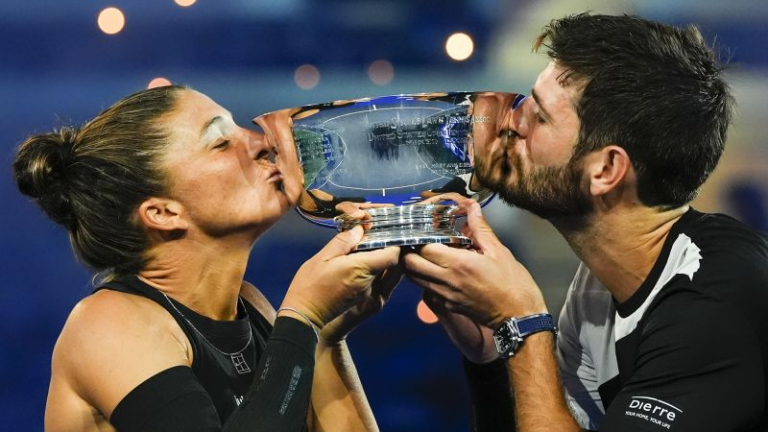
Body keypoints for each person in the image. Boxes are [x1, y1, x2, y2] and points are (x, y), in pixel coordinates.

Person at [403, 13, 768, 432]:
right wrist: (493, 353)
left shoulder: (717, 302)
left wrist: (523, 323)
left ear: (607, 169)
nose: (510, 122)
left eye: (539, 117)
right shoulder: (597, 290)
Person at [13, 85, 402, 432]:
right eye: (220, 141)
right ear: (164, 212)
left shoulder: (253, 308)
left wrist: (326, 335)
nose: (259, 142)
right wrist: (302, 318)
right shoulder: (106, 324)